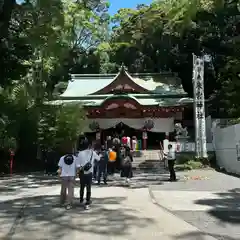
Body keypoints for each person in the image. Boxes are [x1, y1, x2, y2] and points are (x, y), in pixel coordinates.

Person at [77, 139, 100, 210]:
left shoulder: (80, 153)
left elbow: (78, 164)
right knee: (88, 187)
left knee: (82, 186)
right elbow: (98, 159)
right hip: (90, 172)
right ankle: (87, 202)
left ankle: (81, 200)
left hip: (82, 172)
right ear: (89, 146)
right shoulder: (93, 153)